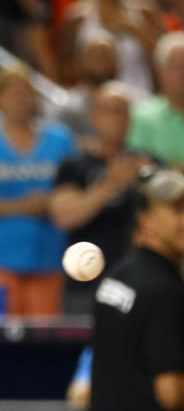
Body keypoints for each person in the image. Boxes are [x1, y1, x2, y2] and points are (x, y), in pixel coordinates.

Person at [87, 169, 184, 411]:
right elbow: (171, 393)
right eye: (176, 210)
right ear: (145, 219)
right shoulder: (165, 290)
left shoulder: (116, 279)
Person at [0, 66, 76, 316]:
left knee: (46, 344)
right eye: (10, 91)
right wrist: (22, 207)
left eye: (25, 91)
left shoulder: (60, 139)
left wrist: (52, 202)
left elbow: (76, 190)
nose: (19, 98)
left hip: (50, 259)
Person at [49, 83, 147, 313]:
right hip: (86, 282)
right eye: (108, 110)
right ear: (93, 117)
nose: (116, 118)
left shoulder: (147, 165)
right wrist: (111, 184)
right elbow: (64, 217)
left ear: (131, 119)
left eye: (122, 111)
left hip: (139, 283)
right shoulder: (75, 166)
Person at [127, 32, 184, 165]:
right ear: (159, 72)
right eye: (175, 67)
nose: (182, 73)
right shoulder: (140, 115)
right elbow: (139, 164)